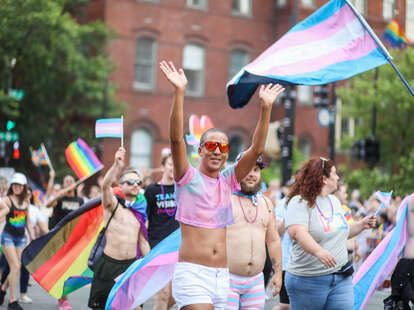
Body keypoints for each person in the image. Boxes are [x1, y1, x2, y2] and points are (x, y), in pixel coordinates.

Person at [160, 60, 284, 310]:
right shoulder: (187, 177)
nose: (217, 151)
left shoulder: (228, 181)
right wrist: (179, 93)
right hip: (193, 274)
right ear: (200, 150)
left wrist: (265, 109)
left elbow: (256, 149)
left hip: (223, 278)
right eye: (211, 146)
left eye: (223, 147)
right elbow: (175, 141)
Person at [284, 157, 376, 310]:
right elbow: (298, 233)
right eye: (335, 174)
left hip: (340, 278)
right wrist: (319, 251)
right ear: (324, 179)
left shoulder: (334, 201)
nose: (338, 177)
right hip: (308, 280)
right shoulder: (299, 202)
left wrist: (361, 225)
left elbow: (339, 233)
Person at [88, 148, 150, 310]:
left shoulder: (140, 212)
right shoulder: (112, 205)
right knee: (102, 307)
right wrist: (116, 164)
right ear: (120, 186)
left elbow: (142, 241)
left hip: (130, 267)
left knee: (135, 307)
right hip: (108, 266)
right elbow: (105, 186)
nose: (135, 185)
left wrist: (150, 264)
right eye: (130, 182)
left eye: (138, 182)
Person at [226, 154, 282, 310]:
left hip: (255, 282)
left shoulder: (266, 203)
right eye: (247, 169)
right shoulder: (224, 199)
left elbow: (273, 240)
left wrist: (278, 273)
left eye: (256, 170)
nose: (251, 174)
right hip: (227, 279)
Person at [145, 153, 178, 310]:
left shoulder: (183, 189)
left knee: (174, 296)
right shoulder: (152, 190)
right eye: (171, 164)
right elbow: (144, 220)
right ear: (163, 166)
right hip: (158, 246)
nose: (174, 168)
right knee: (163, 293)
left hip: (178, 248)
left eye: (176, 164)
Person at [47, 175, 84, 310]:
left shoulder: (79, 200)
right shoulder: (59, 199)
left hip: (73, 240)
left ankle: (61, 294)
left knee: (69, 270)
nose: (68, 183)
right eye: (66, 181)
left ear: (75, 184)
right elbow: (48, 204)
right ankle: (63, 299)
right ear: (63, 185)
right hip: (58, 239)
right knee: (61, 269)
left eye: (71, 181)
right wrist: (60, 192)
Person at [0, 173, 35, 310]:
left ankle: (3, 289)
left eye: (19, 185)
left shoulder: (26, 200)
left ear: (23, 187)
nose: (17, 187)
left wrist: (32, 235)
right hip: (8, 237)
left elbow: (28, 221)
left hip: (21, 238)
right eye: (14, 185)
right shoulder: (7, 200)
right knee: (15, 267)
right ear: (11, 186)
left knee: (17, 267)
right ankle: (12, 302)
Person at [273, 177, 296, 310]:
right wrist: (290, 214)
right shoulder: (282, 204)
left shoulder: (307, 203)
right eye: (291, 187)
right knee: (285, 305)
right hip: (286, 263)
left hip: (303, 264)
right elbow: (277, 232)